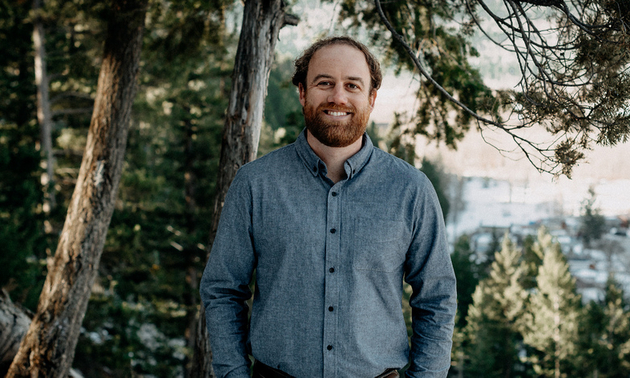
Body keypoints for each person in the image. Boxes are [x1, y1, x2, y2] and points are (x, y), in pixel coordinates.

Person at [200, 36, 457, 378]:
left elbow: (436, 298)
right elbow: (222, 289)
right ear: (303, 93)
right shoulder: (255, 184)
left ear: (371, 98)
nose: (338, 96)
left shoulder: (412, 190)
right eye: (325, 83)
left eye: (352, 85)